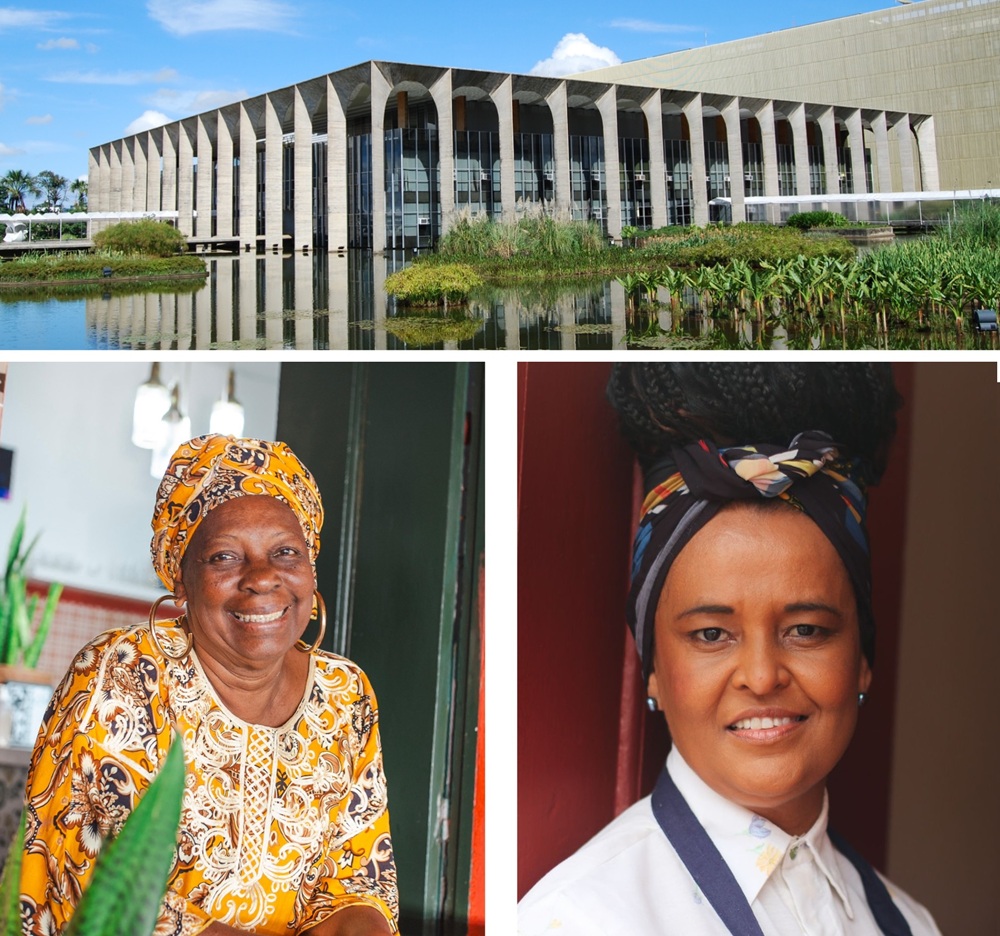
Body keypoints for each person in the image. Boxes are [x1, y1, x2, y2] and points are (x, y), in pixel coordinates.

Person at [518, 364, 942, 936]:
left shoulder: (910, 924)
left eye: (807, 630)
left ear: (862, 659)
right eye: (711, 634)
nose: (763, 677)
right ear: (654, 673)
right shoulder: (580, 919)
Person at [19, 435, 398, 936]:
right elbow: (100, 883)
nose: (262, 578)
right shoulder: (124, 675)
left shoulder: (346, 693)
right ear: (181, 577)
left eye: (285, 552)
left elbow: (358, 880)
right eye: (224, 557)